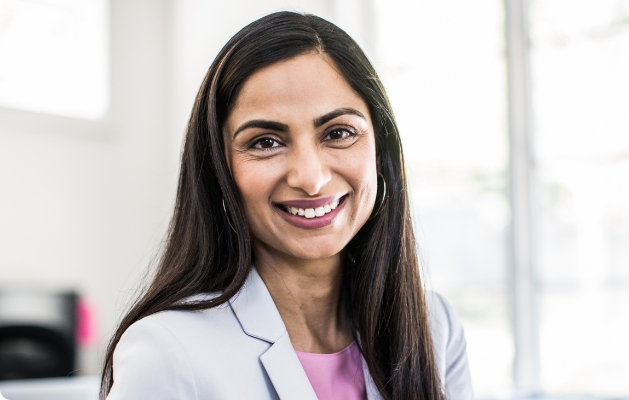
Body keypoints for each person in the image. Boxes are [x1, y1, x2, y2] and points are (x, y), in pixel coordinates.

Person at [101, 11, 472, 400]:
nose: (310, 178)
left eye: (339, 133)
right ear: (220, 170)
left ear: (380, 152)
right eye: (265, 142)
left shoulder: (433, 327)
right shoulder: (168, 352)